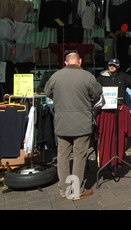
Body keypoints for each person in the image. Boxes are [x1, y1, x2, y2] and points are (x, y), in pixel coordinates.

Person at [44, 52, 103, 200]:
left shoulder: (55, 76)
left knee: (63, 155)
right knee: (79, 155)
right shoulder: (87, 76)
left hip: (62, 121)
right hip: (81, 122)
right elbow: (96, 94)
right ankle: (76, 191)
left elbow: (48, 93)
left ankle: (63, 189)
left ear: (65, 63)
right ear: (80, 61)